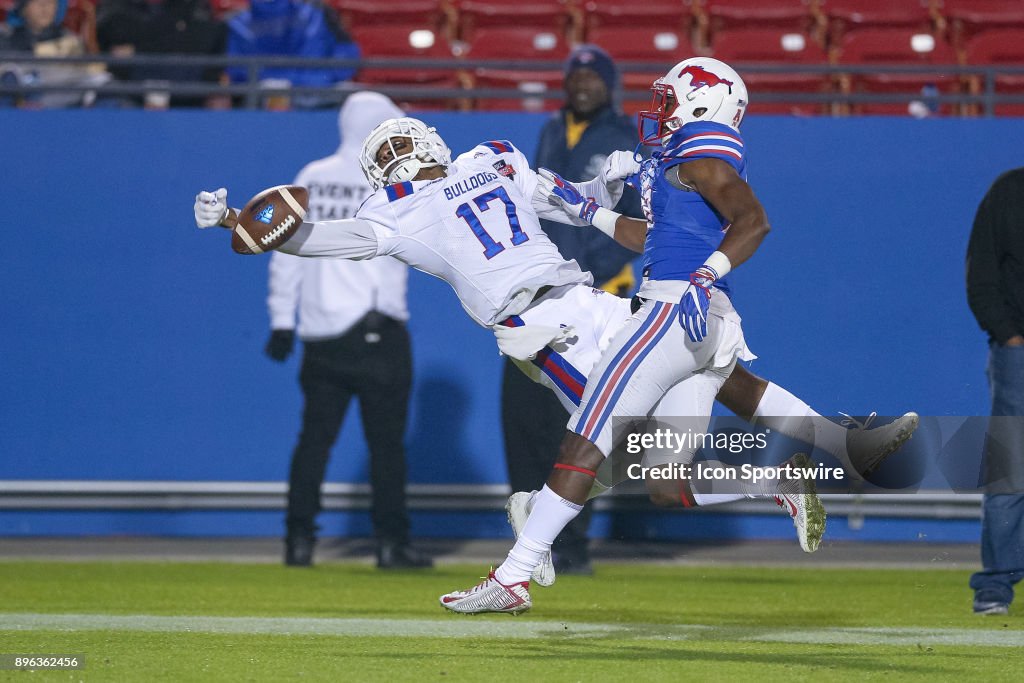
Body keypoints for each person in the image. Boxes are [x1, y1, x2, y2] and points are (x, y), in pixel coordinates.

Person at [194, 115, 915, 597]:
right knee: (687, 418)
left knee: (667, 416)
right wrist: (238, 222)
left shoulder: (435, 188)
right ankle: (824, 459)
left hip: (564, 315)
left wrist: (243, 223)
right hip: (572, 317)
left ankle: (819, 458)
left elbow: (574, 203)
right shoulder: (479, 165)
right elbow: (585, 209)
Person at [440, 57, 827, 614]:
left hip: (663, 311)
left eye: (670, 100)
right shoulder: (662, 155)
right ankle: (784, 479)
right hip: (687, 312)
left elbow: (753, 222)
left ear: (701, 105)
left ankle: (515, 573)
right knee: (663, 480)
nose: (660, 110)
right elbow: (653, 233)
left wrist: (703, 274)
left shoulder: (703, 153)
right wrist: (592, 209)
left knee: (586, 438)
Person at [265, 92, 429, 569]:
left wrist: (281, 320)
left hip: (321, 335)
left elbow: (283, 248)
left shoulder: (311, 179)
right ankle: (391, 545)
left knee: (313, 442)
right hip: (379, 329)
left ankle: (298, 542)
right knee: (387, 447)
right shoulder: (395, 184)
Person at [502, 44, 642, 576]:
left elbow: (636, 221)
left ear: (610, 84)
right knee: (521, 421)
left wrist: (591, 267)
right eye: (575, 74)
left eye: (593, 75)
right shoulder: (548, 132)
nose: (582, 82)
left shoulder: (624, 139)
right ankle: (529, 537)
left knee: (580, 426)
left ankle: (573, 543)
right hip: (531, 298)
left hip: (589, 301)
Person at [966, 167, 1024, 616]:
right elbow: (981, 271)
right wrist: (1009, 335)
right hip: (1019, 351)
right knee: (1012, 468)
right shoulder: (1008, 191)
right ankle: (996, 586)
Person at [224, 0, 359, 110]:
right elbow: (236, 72)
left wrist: (324, 80)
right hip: (266, 101)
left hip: (321, 94)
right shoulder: (237, 24)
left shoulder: (320, 14)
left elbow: (346, 60)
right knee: (274, 92)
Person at [95, 0, 227, 108]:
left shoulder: (194, 7)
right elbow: (113, 47)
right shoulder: (115, 8)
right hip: (130, 93)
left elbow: (197, 42)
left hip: (189, 97)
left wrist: (137, 49)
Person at [0, 0, 109, 108]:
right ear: (23, 9)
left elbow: (86, 72)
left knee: (105, 84)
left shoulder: (70, 39)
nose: (45, 8)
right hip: (25, 96)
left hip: (64, 94)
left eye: (50, 3)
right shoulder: (6, 37)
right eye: (38, 3)